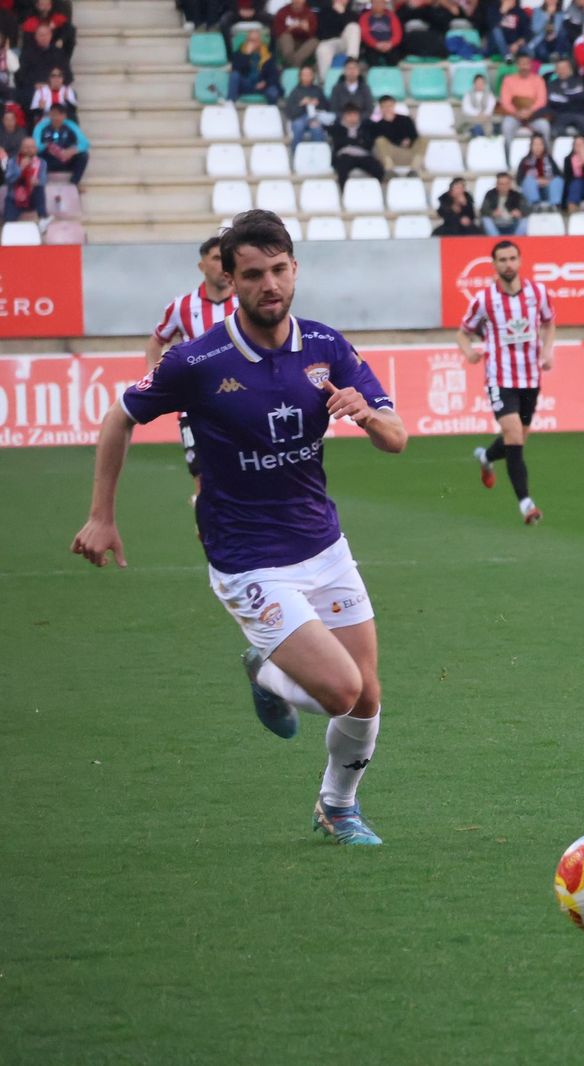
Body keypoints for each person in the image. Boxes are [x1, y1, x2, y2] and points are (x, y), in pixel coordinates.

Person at [72, 210, 407, 846]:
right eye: (253, 274)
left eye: (279, 270)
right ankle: (267, 673)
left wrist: (364, 413)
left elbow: (397, 438)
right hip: (247, 556)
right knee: (342, 691)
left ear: (295, 269)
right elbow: (119, 417)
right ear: (229, 279)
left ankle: (337, 806)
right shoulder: (197, 361)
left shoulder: (328, 347)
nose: (269, 285)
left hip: (323, 545)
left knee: (367, 698)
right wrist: (101, 515)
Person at [461, 240, 555, 525]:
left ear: (520, 260)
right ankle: (526, 504)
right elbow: (464, 332)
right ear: (495, 264)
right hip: (500, 377)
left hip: (530, 376)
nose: (508, 264)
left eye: (513, 258)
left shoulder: (538, 293)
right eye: (502, 259)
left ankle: (486, 457)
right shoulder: (485, 300)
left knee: (518, 439)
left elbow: (549, 322)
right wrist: (468, 352)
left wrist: (547, 350)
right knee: (514, 434)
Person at [145, 236, 241, 500]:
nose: (223, 265)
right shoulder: (182, 306)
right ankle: (208, 534)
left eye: (227, 258)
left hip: (240, 402)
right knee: (201, 479)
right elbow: (156, 341)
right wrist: (153, 378)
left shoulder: (245, 303)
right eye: (216, 258)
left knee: (245, 474)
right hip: (194, 406)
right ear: (202, 266)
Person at [498, 53, 551, 144]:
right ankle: (508, 158)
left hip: (534, 115)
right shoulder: (508, 80)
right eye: (522, 64)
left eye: (527, 64)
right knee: (506, 126)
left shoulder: (538, 80)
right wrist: (517, 112)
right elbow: (505, 102)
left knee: (544, 126)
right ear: (517, 65)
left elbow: (541, 101)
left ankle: (545, 157)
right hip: (514, 115)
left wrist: (530, 111)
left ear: (530, 65)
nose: (524, 67)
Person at [330, 103, 383, 186]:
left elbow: (368, 144)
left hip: (363, 155)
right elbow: (339, 143)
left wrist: (350, 141)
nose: (352, 118)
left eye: (355, 115)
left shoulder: (365, 127)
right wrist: (357, 141)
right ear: (344, 115)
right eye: (349, 115)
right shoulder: (338, 128)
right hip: (345, 155)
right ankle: (344, 193)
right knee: (342, 169)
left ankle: (374, 191)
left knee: (378, 168)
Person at [32, 102, 85, 183]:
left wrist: (71, 151)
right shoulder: (41, 126)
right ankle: (40, 183)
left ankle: (74, 183)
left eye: (59, 115)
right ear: (49, 115)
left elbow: (85, 143)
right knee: (35, 157)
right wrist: (46, 146)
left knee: (84, 155)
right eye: (53, 114)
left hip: (66, 158)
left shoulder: (71, 125)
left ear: (64, 116)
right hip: (48, 160)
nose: (56, 118)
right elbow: (35, 146)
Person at [283, 64, 332, 148]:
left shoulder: (317, 90)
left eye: (309, 74)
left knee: (316, 128)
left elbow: (327, 107)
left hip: (315, 117)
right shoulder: (295, 91)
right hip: (299, 118)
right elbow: (289, 112)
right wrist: (301, 104)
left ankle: (318, 154)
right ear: (300, 77)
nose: (306, 77)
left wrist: (318, 103)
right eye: (304, 75)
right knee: (298, 126)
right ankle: (296, 154)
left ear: (313, 76)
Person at [228, 27, 281, 104]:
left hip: (263, 84)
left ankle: (271, 112)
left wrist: (265, 82)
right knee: (234, 75)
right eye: (250, 40)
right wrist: (246, 55)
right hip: (246, 83)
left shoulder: (268, 54)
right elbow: (236, 69)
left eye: (255, 41)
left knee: (273, 92)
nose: (252, 43)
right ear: (246, 41)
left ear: (260, 41)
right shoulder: (239, 53)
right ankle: (230, 103)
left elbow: (274, 74)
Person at [370, 94, 420, 174]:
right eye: (385, 106)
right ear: (381, 108)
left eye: (389, 106)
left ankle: (414, 170)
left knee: (423, 141)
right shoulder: (378, 125)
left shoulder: (405, 119)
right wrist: (387, 122)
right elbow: (382, 140)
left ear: (394, 106)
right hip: (390, 153)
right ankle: (389, 170)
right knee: (380, 140)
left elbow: (414, 136)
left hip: (407, 151)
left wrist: (409, 141)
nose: (388, 109)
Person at [3, 135, 46, 220]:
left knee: (39, 188)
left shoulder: (42, 162)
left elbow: (43, 180)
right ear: (21, 149)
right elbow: (8, 180)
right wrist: (20, 169)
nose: (29, 150)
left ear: (36, 149)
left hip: (32, 197)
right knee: (9, 221)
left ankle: (43, 219)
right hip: (14, 198)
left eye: (32, 147)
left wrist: (36, 182)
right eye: (26, 147)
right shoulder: (13, 161)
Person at [517, 132, 563, 208]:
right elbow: (519, 180)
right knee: (528, 180)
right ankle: (535, 206)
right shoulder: (525, 161)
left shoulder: (549, 159)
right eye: (535, 144)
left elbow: (559, 175)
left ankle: (555, 206)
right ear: (531, 146)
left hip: (548, 189)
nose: (537, 147)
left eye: (540, 144)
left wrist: (548, 181)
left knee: (557, 180)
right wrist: (536, 181)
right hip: (532, 191)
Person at [273, 0, 319, 70]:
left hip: (302, 43)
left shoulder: (309, 13)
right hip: (285, 42)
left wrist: (307, 30)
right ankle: (295, 66)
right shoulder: (283, 11)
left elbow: (314, 33)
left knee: (315, 41)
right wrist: (289, 29)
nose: (297, 1)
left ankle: (291, 65)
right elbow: (277, 31)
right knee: (286, 36)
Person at [479, 170, 529, 235]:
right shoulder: (490, 194)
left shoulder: (516, 195)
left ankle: (517, 240)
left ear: (510, 184)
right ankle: (495, 241)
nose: (504, 186)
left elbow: (527, 210)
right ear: (497, 184)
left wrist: (519, 213)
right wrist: (492, 213)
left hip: (512, 223)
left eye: (506, 183)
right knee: (486, 219)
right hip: (495, 224)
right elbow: (483, 210)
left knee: (525, 220)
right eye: (501, 184)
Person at [358, 0, 403, 66]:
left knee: (394, 60)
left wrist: (390, 44)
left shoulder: (392, 16)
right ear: (371, 4)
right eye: (375, 3)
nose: (378, 5)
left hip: (390, 45)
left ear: (384, 4)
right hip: (372, 46)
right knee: (372, 60)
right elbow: (365, 34)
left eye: (380, 3)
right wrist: (376, 44)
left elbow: (398, 33)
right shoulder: (365, 17)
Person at [460, 72, 495, 137]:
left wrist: (484, 114)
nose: (480, 84)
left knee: (489, 124)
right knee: (474, 124)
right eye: (478, 82)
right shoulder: (468, 94)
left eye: (482, 83)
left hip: (485, 118)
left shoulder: (489, 94)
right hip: (473, 118)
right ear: (474, 83)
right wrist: (478, 114)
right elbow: (466, 108)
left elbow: (491, 106)